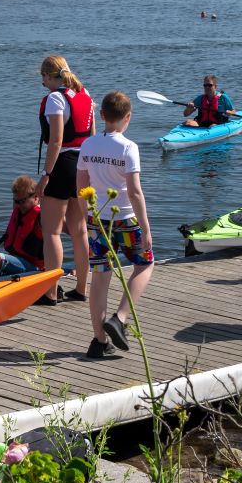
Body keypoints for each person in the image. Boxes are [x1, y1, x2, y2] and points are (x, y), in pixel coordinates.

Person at [77, 91, 154, 359]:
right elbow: (134, 191)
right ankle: (119, 318)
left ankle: (99, 341)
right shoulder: (128, 148)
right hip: (125, 218)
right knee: (145, 264)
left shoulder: (88, 145)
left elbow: (81, 184)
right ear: (128, 118)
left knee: (100, 278)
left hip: (97, 218)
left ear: (102, 116)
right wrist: (145, 227)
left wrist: (86, 217)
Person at [36, 55, 93, 305]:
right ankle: (81, 289)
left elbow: (56, 141)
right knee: (80, 231)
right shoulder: (85, 94)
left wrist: (45, 175)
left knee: (52, 232)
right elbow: (90, 136)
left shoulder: (55, 99)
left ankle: (50, 292)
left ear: (49, 76)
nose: (43, 83)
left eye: (43, 78)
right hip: (83, 165)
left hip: (62, 165)